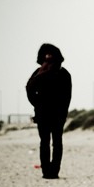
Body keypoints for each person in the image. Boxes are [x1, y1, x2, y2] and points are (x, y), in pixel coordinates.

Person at [26, 43, 72, 179]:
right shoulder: (38, 73)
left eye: (51, 57)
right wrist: (37, 105)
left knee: (56, 142)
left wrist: (63, 112)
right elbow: (29, 89)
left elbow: (67, 97)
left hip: (58, 114)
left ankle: (54, 171)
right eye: (46, 58)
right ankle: (46, 171)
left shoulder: (64, 74)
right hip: (42, 114)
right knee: (44, 142)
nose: (48, 60)